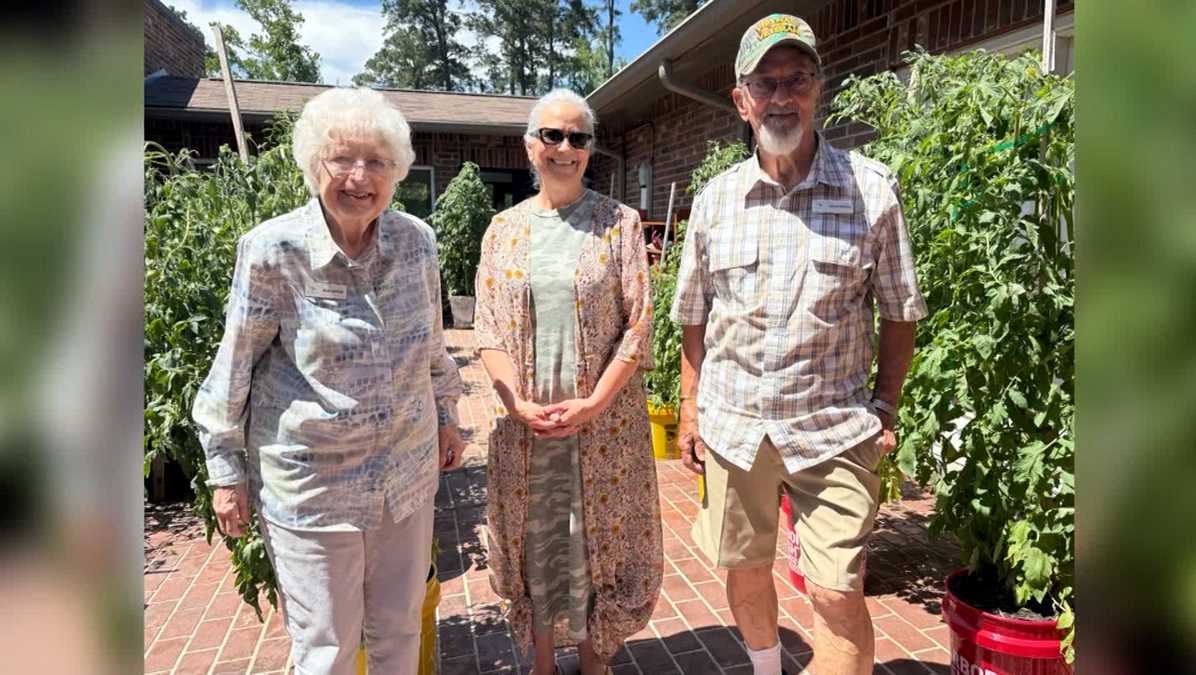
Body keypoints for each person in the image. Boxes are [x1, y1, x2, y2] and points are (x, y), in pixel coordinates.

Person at [671, 14, 928, 675]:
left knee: (839, 590)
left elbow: (901, 313)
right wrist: (691, 407)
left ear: (819, 89)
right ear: (741, 98)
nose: (781, 96)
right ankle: (765, 666)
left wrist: (886, 406)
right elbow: (693, 314)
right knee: (746, 566)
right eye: (765, 82)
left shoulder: (871, 191)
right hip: (735, 428)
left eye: (797, 80)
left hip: (833, 429)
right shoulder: (714, 201)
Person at [192, 86, 466, 674]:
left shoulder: (417, 242)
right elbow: (233, 365)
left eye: (377, 162)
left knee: (398, 633)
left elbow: (432, 349)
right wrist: (225, 470)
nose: (359, 177)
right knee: (326, 649)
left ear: (396, 172)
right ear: (316, 163)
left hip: (405, 479)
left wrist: (448, 416)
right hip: (314, 490)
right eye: (343, 158)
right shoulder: (274, 250)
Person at [474, 89, 661, 675]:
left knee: (594, 537)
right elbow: (488, 330)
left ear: (589, 149)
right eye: (552, 135)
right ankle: (543, 660)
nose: (565, 148)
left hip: (601, 427)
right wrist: (516, 402)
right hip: (529, 428)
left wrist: (593, 403)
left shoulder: (620, 225)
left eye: (578, 138)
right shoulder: (501, 231)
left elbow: (638, 326)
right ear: (530, 146)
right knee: (539, 537)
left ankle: (593, 654)